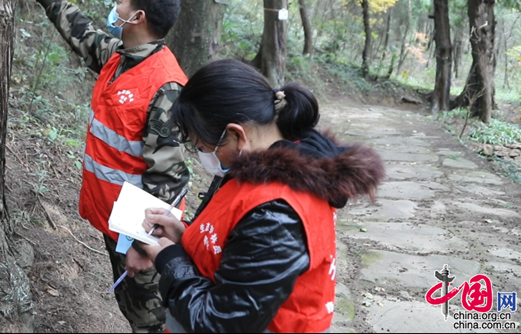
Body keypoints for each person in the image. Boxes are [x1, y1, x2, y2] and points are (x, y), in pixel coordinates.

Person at [132, 58, 384, 333]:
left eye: (202, 146)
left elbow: (220, 323)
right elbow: (239, 250)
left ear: (236, 135)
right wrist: (185, 235)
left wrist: (169, 260)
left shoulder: (276, 212)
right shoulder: (259, 169)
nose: (205, 155)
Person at [15, 0, 189, 333]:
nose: (116, 6)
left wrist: (146, 245)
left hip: (138, 230)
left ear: (138, 16)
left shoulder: (166, 85)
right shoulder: (120, 57)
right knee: (131, 308)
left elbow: (169, 177)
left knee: (152, 319)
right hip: (115, 220)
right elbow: (83, 33)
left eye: (121, 1)